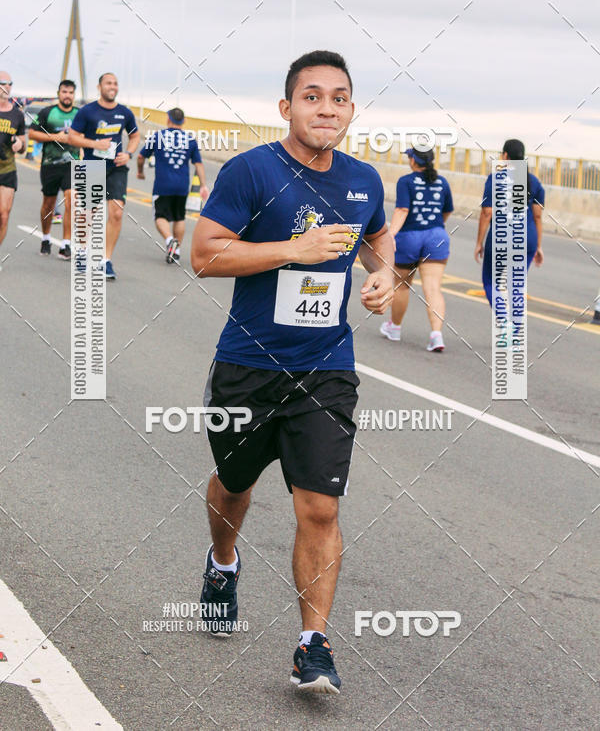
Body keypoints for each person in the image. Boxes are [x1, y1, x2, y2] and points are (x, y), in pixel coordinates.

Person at [191, 50, 394, 694]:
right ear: (287, 107)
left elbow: (376, 240)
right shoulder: (251, 171)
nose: (326, 108)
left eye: (339, 97)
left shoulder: (364, 180)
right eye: (312, 97)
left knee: (321, 508)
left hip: (325, 367)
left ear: (351, 110)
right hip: (249, 363)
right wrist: (293, 249)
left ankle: (313, 644)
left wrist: (384, 276)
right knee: (233, 485)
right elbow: (205, 255)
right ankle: (222, 563)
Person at [380, 148, 454, 352]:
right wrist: (436, 226)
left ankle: (394, 328)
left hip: (409, 236)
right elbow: (447, 211)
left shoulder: (406, 181)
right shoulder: (442, 181)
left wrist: (391, 234)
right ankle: (436, 335)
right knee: (433, 288)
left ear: (413, 160)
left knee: (402, 285)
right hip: (437, 237)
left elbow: (402, 209)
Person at [68, 73, 139, 280]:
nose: (113, 86)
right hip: (92, 166)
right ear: (99, 87)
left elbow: (134, 136)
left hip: (116, 167)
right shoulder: (88, 111)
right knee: (89, 213)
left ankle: (104, 261)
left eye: (115, 83)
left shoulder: (124, 112)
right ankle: (82, 250)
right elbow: (72, 137)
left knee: (116, 213)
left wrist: (129, 154)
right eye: (109, 83)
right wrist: (94, 144)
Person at [475, 138, 544, 306]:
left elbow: (487, 213)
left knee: (491, 282)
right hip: (527, 239)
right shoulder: (533, 182)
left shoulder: (495, 178)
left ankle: (503, 319)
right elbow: (537, 216)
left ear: (505, 155)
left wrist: (479, 243)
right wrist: (539, 246)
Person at [137, 107, 208, 263]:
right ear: (183, 121)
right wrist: (203, 185)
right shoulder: (190, 140)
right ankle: (176, 251)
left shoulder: (158, 136)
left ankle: (170, 241)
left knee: (160, 216)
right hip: (182, 186)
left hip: (163, 185)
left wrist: (140, 172)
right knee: (179, 217)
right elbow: (199, 164)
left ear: (168, 119)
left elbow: (141, 157)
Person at [27, 79, 80, 259]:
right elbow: (32, 134)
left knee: (71, 198)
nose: (67, 95)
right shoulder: (47, 112)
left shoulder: (79, 114)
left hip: (72, 164)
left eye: (71, 92)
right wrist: (54, 136)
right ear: (59, 93)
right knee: (48, 204)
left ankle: (66, 244)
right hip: (50, 164)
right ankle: (46, 237)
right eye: (64, 92)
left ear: (74, 95)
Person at [0, 72, 26, 266]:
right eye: (3, 83)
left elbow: (23, 144)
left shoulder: (17, 114)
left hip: (7, 169)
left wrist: (19, 143)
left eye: (10, 83)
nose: (7, 87)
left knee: (3, 214)